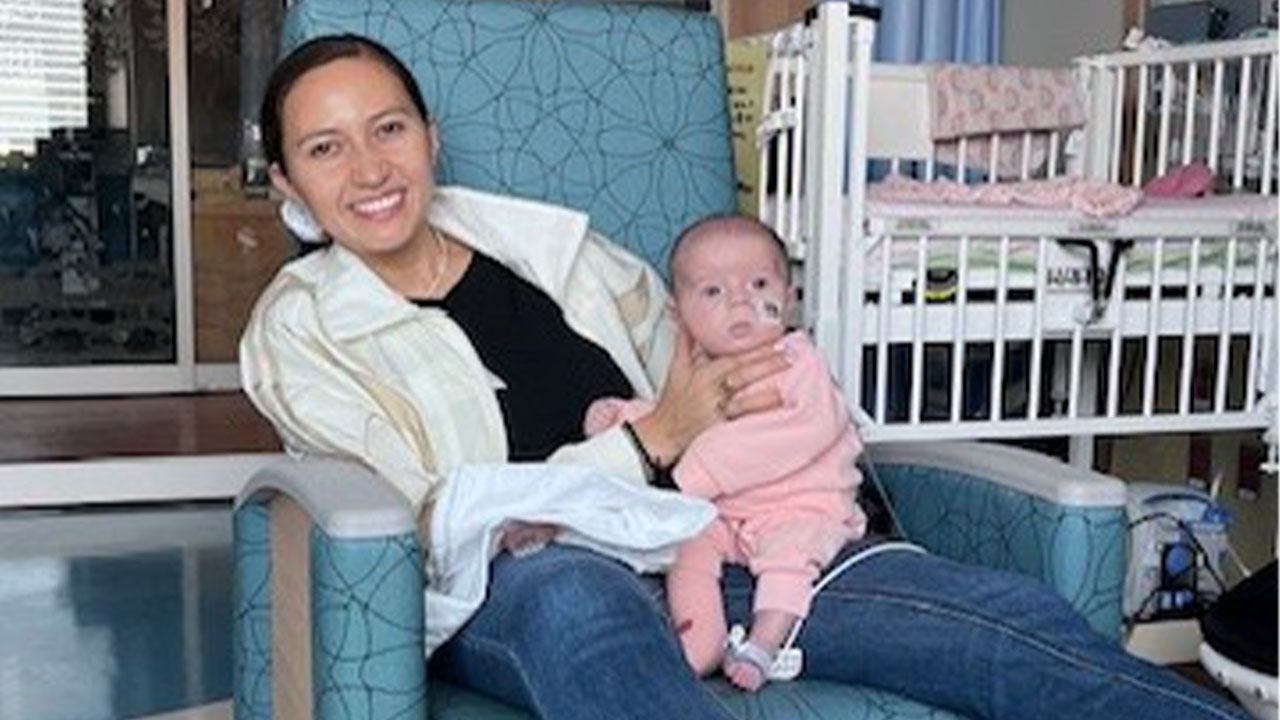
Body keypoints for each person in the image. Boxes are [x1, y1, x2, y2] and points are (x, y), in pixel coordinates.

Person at [239, 33, 1250, 720]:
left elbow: (737, 368)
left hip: (730, 534)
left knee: (1000, 624)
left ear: (429, 136)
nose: (369, 169)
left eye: (388, 129)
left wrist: (785, 441)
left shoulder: (556, 255)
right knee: (579, 609)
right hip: (524, 578)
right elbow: (432, 517)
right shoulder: (300, 331)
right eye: (325, 149)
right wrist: (649, 441)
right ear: (286, 182)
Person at [583, 215, 865, 691]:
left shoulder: (798, 362)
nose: (740, 300)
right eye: (712, 292)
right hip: (720, 514)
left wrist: (689, 477)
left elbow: (797, 430)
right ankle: (698, 644)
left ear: (788, 300)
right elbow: (671, 420)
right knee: (685, 545)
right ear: (678, 314)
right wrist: (619, 420)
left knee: (789, 555)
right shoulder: (696, 370)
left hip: (799, 505)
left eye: (758, 283)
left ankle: (764, 643)